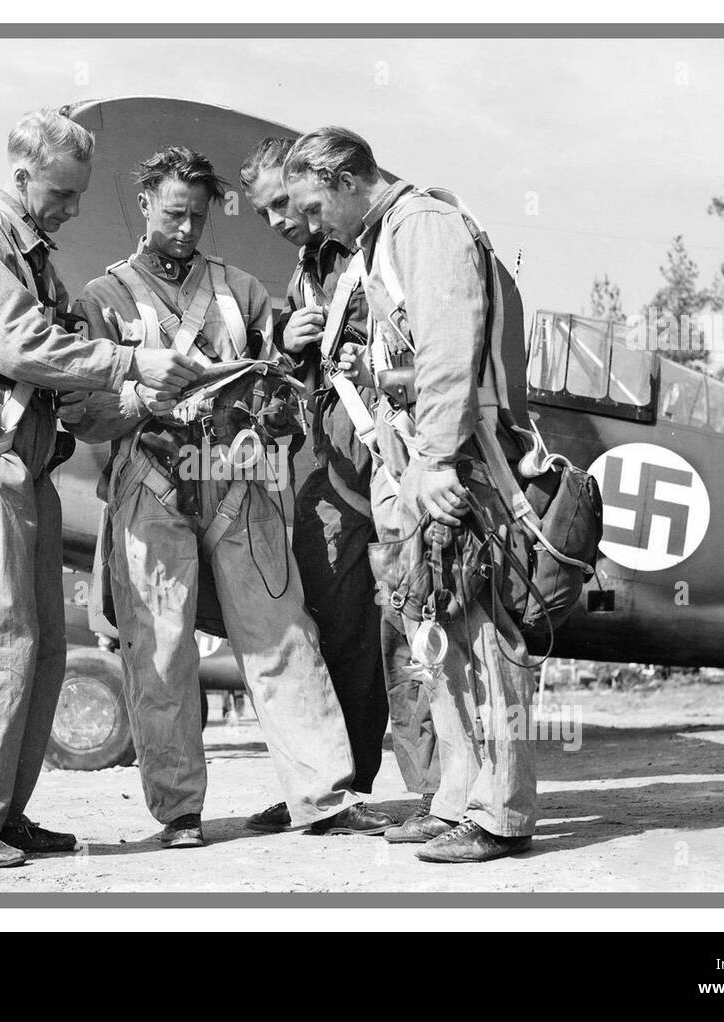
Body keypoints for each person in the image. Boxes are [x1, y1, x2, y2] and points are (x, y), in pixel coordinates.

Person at [65, 144, 394, 848]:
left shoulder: (243, 291)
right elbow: (82, 415)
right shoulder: (103, 300)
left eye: (198, 217)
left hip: (244, 483)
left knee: (282, 635)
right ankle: (180, 813)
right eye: (175, 214)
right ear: (146, 203)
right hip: (149, 486)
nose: (186, 230)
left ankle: (324, 798)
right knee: (160, 651)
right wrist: (137, 394)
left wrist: (280, 373)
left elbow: (286, 391)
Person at [0, 108, 200, 868]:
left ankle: (1, 811)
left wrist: (140, 396)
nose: (73, 210)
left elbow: (66, 358)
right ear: (20, 177)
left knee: (36, 651)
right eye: (62, 194)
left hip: (27, 468)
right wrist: (131, 364)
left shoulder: (31, 256)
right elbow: (17, 343)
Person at [284, 127, 536, 862]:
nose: (307, 223)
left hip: (457, 463)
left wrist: (435, 460)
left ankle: (500, 813)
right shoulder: (380, 238)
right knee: (442, 632)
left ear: (344, 179)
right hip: (415, 463)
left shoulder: (423, 226)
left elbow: (448, 351)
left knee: (484, 635)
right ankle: (457, 797)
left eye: (311, 204)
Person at [239, 138, 442, 832]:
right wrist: (289, 349)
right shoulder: (308, 269)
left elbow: (428, 345)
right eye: (269, 211)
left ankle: (437, 793)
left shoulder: (379, 246)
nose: (282, 221)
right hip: (332, 478)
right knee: (332, 637)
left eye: (288, 206)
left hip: (387, 466)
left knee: (408, 632)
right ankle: (334, 786)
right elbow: (308, 381)